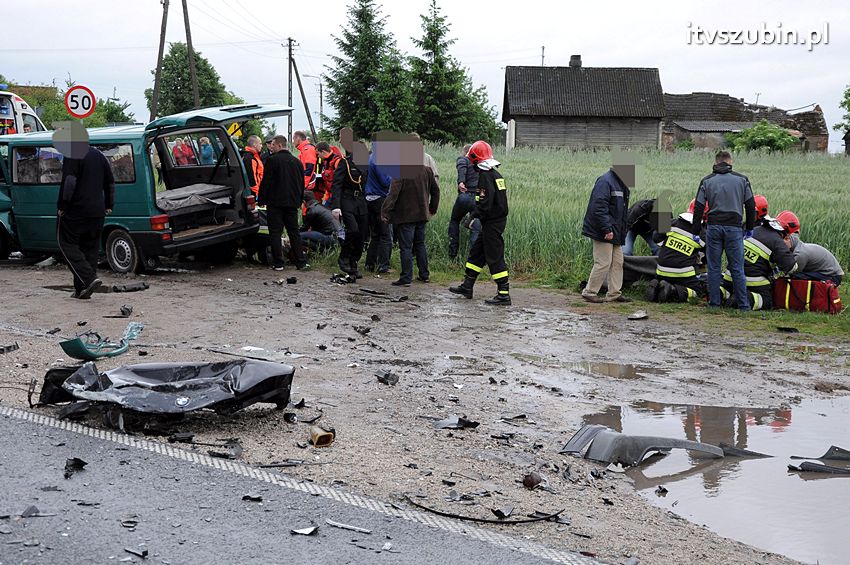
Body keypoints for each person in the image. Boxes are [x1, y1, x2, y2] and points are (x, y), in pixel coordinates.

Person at [691, 150, 755, 310]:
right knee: (737, 268)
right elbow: (750, 205)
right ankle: (744, 306)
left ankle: (714, 304)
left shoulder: (707, 181)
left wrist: (695, 230)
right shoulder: (742, 179)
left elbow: (698, 207)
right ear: (730, 162)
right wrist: (750, 228)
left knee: (714, 267)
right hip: (734, 228)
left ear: (716, 162)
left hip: (713, 227)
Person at [449, 141, 511, 305]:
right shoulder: (495, 174)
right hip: (492, 222)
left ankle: (503, 294)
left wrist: (472, 217)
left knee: (494, 257)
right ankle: (467, 286)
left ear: (476, 159)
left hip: (492, 223)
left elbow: (484, 203)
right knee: (477, 253)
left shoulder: (484, 177)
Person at [57, 146, 115, 299]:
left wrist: (63, 205)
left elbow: (69, 182)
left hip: (76, 210)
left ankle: (89, 278)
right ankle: (82, 290)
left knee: (66, 244)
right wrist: (109, 204)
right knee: (89, 248)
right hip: (97, 211)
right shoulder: (99, 156)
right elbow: (110, 182)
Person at [580, 156, 634, 303]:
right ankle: (590, 291)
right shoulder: (605, 181)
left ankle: (614, 293)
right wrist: (606, 229)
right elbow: (598, 208)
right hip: (603, 231)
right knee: (603, 262)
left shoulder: (621, 183)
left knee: (617, 262)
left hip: (614, 231)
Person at [721, 208, 797, 310]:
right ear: (787, 230)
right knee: (767, 301)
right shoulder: (777, 241)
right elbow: (791, 267)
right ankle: (745, 299)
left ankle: (721, 293)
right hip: (752, 281)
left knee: (728, 288)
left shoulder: (755, 230)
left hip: (730, 276)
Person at [381, 159, 440, 286]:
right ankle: (424, 275)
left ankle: (406, 277)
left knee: (406, 247)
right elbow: (436, 191)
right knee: (420, 244)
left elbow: (393, 194)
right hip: (422, 215)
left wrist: (385, 212)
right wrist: (432, 209)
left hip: (406, 216)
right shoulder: (427, 170)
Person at [257, 135, 310, 271]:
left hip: (275, 203)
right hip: (292, 203)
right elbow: (300, 184)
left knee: (275, 233)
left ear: (280, 145)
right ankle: (300, 262)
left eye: (273, 145)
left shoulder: (272, 161)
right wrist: (299, 200)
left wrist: (261, 199)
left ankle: (279, 263)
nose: (271, 147)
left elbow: (266, 182)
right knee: (294, 232)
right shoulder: (297, 162)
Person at [646, 209, 706, 303]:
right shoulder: (702, 233)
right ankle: (672, 290)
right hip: (684, 274)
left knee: (665, 279)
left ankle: (657, 286)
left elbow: (656, 238)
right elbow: (706, 255)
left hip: (661, 271)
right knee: (698, 292)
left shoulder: (672, 222)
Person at [330, 142, 369, 278]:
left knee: (362, 235)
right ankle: (344, 257)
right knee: (353, 230)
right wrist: (336, 206)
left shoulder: (365, 165)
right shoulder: (345, 163)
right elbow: (336, 185)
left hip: (361, 202)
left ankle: (354, 263)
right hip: (347, 200)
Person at [448, 144, 482, 260]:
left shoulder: (463, 159)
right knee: (476, 226)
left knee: (454, 220)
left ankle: (452, 254)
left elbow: (461, 168)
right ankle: (473, 258)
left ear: (465, 152)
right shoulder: (480, 163)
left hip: (465, 196)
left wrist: (461, 182)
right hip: (478, 199)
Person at [364, 146, 393, 273]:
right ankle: (383, 265)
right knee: (386, 235)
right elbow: (385, 182)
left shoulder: (370, 158)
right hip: (380, 199)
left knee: (375, 234)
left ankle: (369, 264)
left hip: (369, 199)